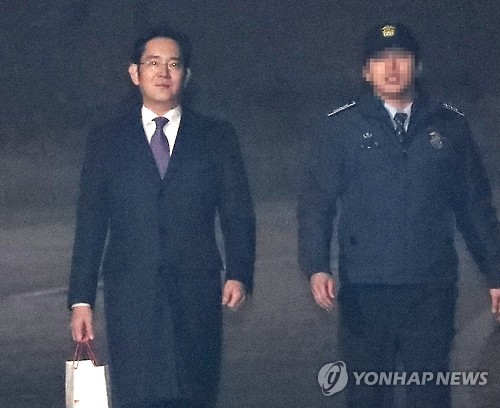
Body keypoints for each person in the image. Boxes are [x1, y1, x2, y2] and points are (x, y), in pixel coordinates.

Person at [298, 22, 500, 408]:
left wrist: (496, 272)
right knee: (367, 393)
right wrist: (316, 265)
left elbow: (475, 208)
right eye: (380, 60)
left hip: (431, 288)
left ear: (417, 66)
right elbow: (316, 204)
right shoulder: (342, 128)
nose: (391, 68)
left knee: (429, 393)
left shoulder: (449, 127)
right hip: (365, 290)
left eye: (401, 58)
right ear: (366, 71)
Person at [68, 28, 256, 408]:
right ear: (135, 73)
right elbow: (91, 222)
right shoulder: (106, 140)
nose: (163, 72)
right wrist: (81, 299)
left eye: (174, 64)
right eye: (153, 63)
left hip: (196, 294)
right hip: (131, 297)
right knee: (137, 395)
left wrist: (238, 272)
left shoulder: (217, 137)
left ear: (186, 75)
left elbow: (238, 213)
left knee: (195, 393)